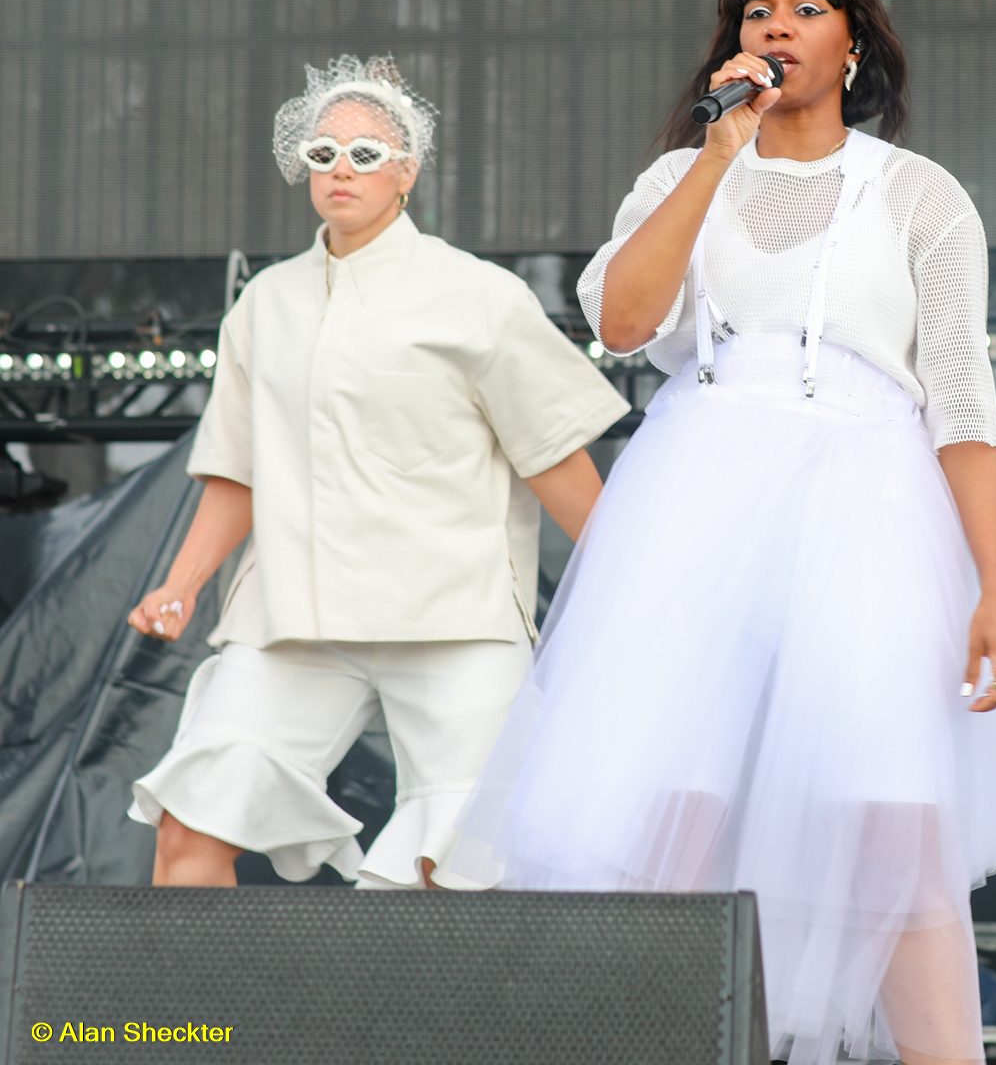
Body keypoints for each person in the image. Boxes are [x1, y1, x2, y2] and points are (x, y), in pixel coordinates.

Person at [444, 0, 996, 1065]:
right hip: (699, 499)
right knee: (668, 809)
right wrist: (719, 149)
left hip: (868, 502)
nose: (777, 26)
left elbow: (962, 402)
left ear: (852, 43)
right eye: (757, 11)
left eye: (807, 9)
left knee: (889, 820)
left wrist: (995, 592)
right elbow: (621, 327)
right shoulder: (677, 179)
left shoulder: (917, 197)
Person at [126, 55, 629, 891]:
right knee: (190, 830)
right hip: (293, 614)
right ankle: (195, 1031)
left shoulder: (480, 296)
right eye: (321, 154)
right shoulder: (266, 304)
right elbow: (236, 471)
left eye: (365, 152)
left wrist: (636, 587)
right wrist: (181, 584)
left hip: (454, 614)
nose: (340, 170)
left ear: (408, 169)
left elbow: (556, 460)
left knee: (453, 872)